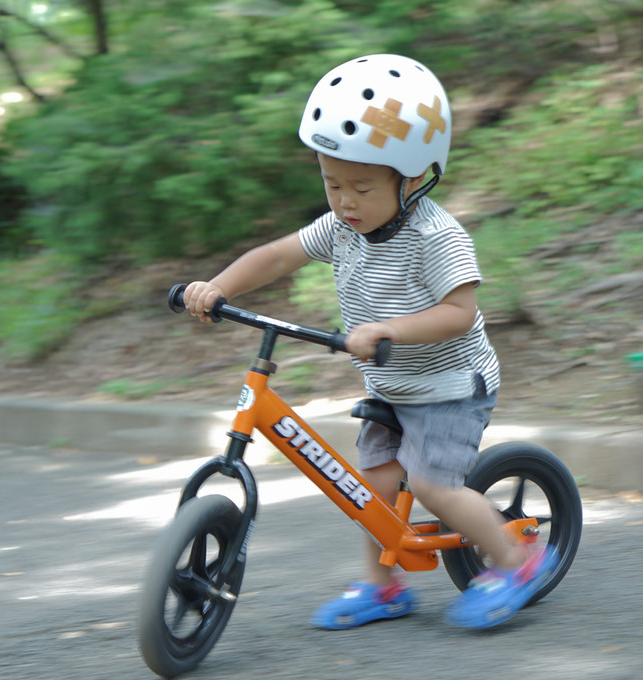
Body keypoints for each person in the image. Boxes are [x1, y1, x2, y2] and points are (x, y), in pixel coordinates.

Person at [183, 53, 557, 630]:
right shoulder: (340, 227)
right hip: (391, 383)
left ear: (412, 179)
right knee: (372, 490)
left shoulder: (437, 237)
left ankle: (516, 560)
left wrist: (389, 330)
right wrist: (218, 285)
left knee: (432, 484)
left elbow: (460, 312)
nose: (345, 201)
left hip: (450, 387)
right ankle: (385, 588)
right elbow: (279, 255)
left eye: (361, 186)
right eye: (332, 184)